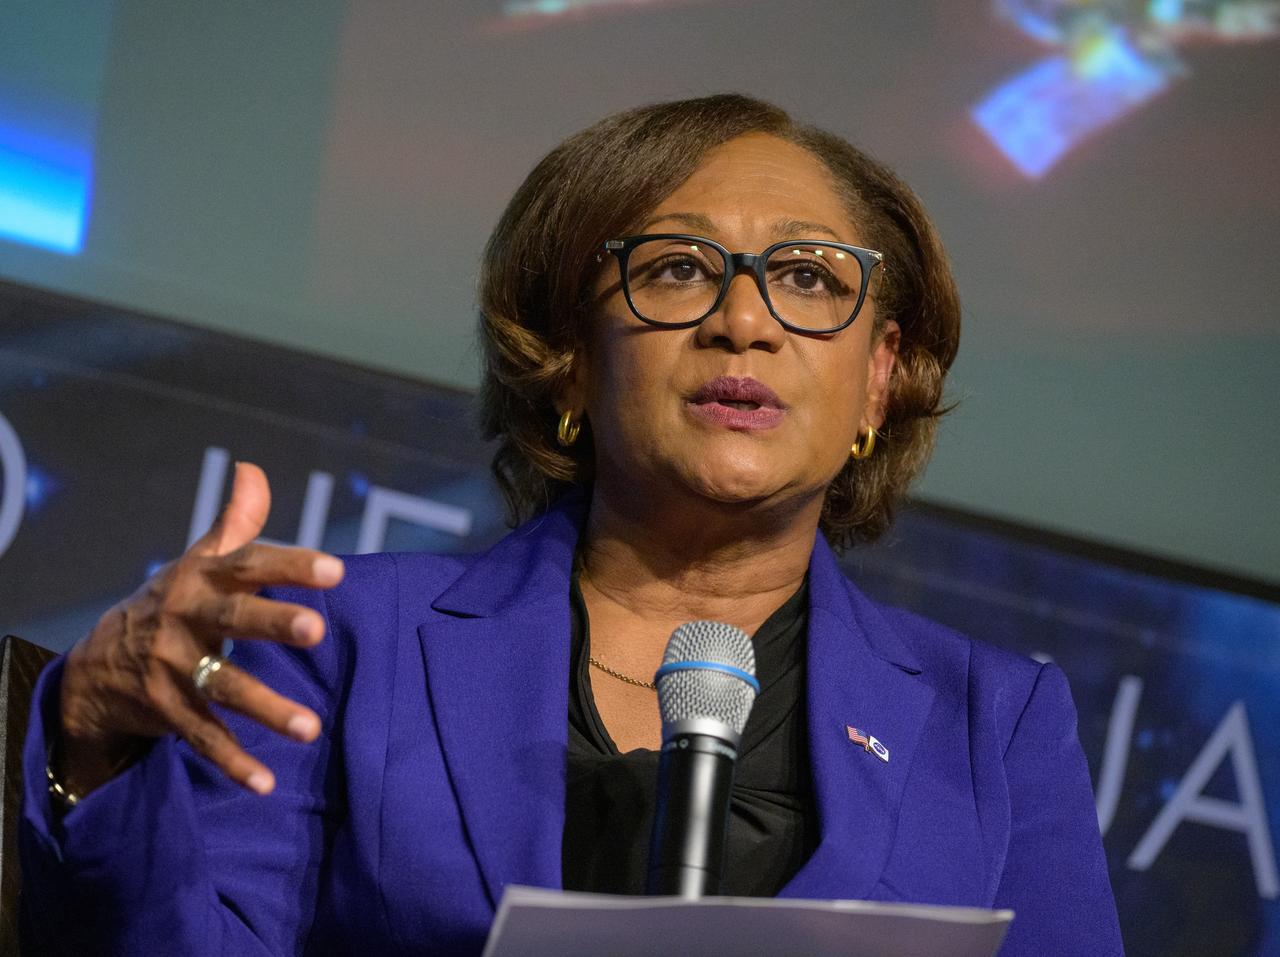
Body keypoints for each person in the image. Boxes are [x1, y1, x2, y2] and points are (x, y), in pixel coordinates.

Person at [20, 94, 1123, 955]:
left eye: (806, 277)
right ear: (568, 359)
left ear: (878, 380)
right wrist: (94, 741)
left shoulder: (993, 724)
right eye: (677, 269)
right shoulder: (338, 643)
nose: (743, 321)